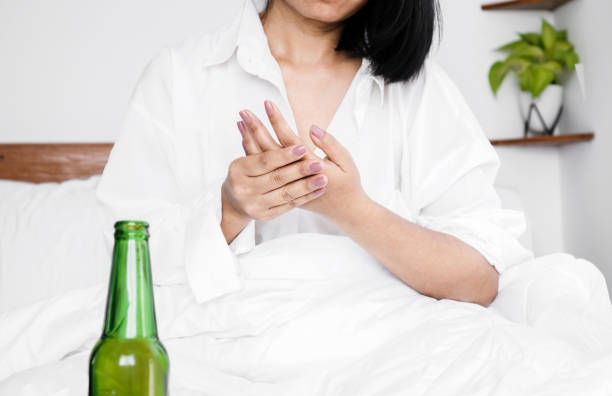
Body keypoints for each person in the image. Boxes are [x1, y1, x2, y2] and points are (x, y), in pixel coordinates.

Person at [96, 0, 532, 309]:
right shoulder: (180, 77)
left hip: (388, 347)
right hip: (223, 342)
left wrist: (351, 209)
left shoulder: (419, 90)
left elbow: (479, 280)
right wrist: (228, 211)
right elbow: (120, 263)